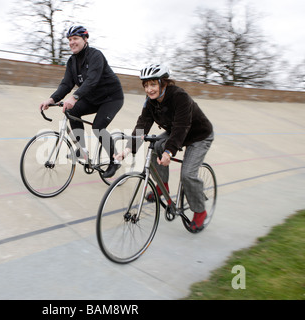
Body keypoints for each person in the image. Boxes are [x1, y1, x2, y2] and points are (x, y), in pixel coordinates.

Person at [115, 64, 214, 231]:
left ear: (164, 83)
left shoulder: (179, 96)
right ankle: (162, 187)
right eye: (146, 85)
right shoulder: (151, 102)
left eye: (153, 84)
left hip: (199, 135)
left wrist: (169, 151)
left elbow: (182, 126)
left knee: (187, 174)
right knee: (153, 149)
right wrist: (127, 150)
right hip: (176, 132)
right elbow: (142, 125)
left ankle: (199, 211)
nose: (149, 89)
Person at [39, 25, 124, 178]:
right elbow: (66, 84)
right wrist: (51, 99)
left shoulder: (95, 55)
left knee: (98, 127)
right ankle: (82, 149)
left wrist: (75, 97)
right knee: (71, 110)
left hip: (111, 98)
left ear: (85, 40)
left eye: (76, 39)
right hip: (92, 98)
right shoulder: (72, 62)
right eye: (70, 40)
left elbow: (92, 80)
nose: (72, 42)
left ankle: (114, 161)